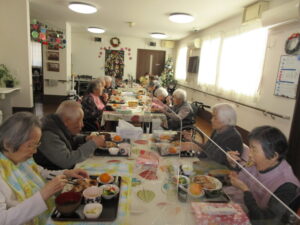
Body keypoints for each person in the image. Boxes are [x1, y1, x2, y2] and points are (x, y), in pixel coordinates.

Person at [0, 112, 89, 225]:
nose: (35, 151)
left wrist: (66, 173)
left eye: (37, 145)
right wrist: (43, 195)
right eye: (30, 145)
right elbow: (3, 220)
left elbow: (41, 172)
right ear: (8, 144)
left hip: (48, 213)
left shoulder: (20, 158)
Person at [227, 126, 300, 224]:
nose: (249, 154)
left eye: (254, 150)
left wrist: (245, 190)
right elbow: (239, 178)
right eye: (250, 148)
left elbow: (264, 220)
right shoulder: (257, 162)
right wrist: (233, 165)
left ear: (273, 156)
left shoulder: (286, 185)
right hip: (240, 209)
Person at [33, 100, 105, 170]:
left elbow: (67, 138)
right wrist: (93, 144)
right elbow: (67, 161)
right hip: (51, 175)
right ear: (67, 121)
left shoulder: (56, 122)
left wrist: (85, 138)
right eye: (79, 121)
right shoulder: (48, 135)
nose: (82, 125)